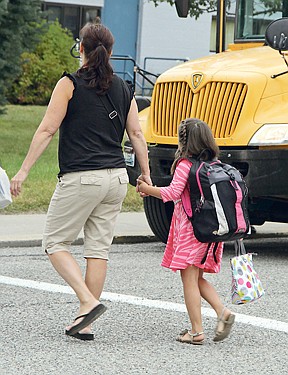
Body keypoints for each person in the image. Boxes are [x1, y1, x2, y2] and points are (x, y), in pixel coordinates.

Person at [10, 21, 151, 341]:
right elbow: (137, 135)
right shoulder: (124, 87)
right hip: (115, 180)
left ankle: (87, 302)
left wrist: (23, 171)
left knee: (55, 243)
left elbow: (47, 129)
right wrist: (145, 174)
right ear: (111, 52)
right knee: (98, 251)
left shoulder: (69, 83)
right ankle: (84, 323)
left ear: (82, 49)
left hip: (81, 179)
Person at [137, 118, 235, 345]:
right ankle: (222, 312)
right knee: (197, 277)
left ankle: (196, 331)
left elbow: (171, 193)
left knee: (188, 279)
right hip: (210, 230)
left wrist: (145, 189)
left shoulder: (185, 165)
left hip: (192, 230)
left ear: (183, 140)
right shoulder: (214, 164)